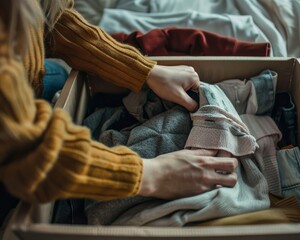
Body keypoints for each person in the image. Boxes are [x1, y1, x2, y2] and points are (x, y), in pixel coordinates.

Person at [0, 0, 237, 213]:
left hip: (22, 87)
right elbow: (30, 157)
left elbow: (51, 20)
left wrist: (144, 70)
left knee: (60, 75)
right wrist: (153, 174)